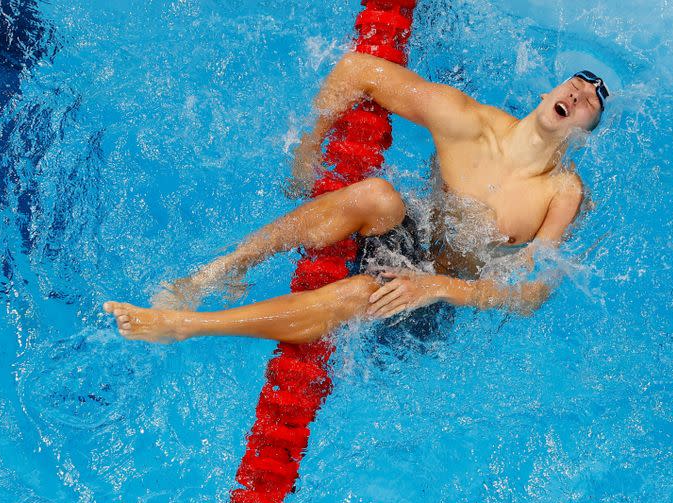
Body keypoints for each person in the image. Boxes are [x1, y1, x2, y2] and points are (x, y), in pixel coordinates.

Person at [103, 53, 609, 344]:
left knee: (359, 293)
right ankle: (219, 270)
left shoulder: (562, 192)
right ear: (547, 94)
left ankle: (187, 326)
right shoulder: (467, 122)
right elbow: (356, 70)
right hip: (409, 237)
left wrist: (437, 289)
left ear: (585, 133)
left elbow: (531, 295)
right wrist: (308, 148)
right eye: (576, 84)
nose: (582, 93)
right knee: (378, 194)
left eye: (592, 102)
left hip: (437, 301)